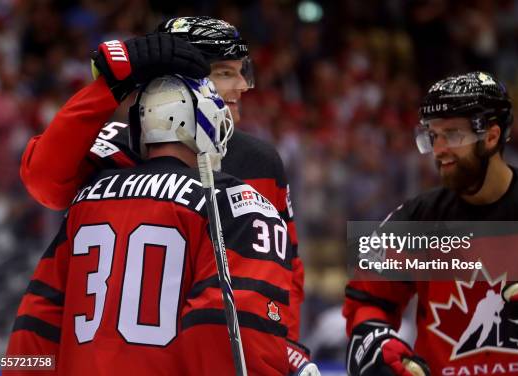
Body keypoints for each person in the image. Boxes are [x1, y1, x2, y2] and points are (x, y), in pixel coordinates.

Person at [17, 16, 308, 369]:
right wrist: (110, 84)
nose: (244, 85)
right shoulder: (111, 146)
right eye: (225, 72)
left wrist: (286, 346)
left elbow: (285, 272)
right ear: (179, 83)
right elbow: (43, 182)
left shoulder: (261, 161)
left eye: (243, 70)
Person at [344, 71, 518, 375]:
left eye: (452, 135)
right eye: (433, 136)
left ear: (491, 136)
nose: (439, 151)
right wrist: (374, 342)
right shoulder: (417, 220)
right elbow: (367, 300)